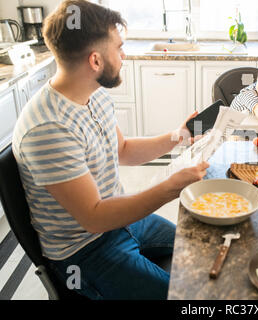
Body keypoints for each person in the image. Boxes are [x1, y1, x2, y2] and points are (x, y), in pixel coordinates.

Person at [12, 0, 208, 300]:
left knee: (203, 246)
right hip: (85, 250)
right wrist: (170, 188)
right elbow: (94, 217)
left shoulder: (94, 93)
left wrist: (178, 136)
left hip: (122, 220)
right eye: (119, 48)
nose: (124, 55)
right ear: (95, 61)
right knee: (186, 298)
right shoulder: (47, 129)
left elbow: (124, 150)